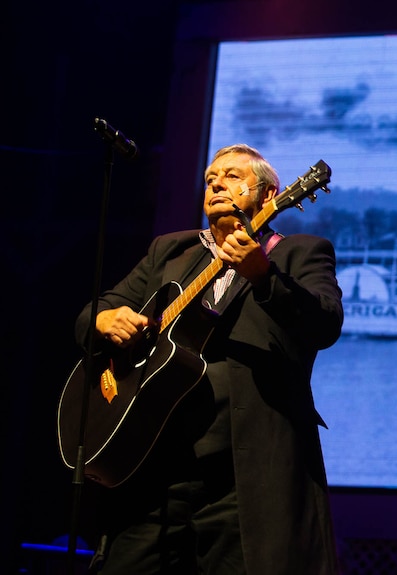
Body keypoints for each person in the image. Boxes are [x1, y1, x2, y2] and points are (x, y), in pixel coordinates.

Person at [74, 144, 343, 573]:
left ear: (270, 195)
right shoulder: (171, 251)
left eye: (233, 176)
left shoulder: (298, 252)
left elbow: (324, 325)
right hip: (154, 465)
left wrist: (263, 276)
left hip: (243, 472)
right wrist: (106, 319)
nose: (216, 183)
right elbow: (96, 312)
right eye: (210, 179)